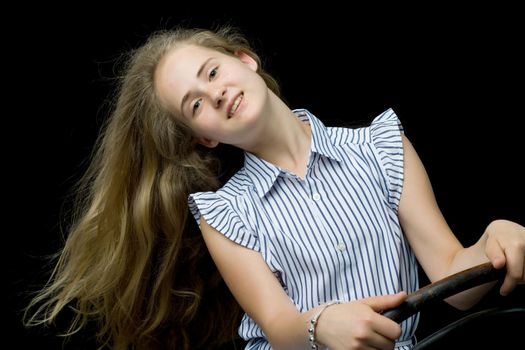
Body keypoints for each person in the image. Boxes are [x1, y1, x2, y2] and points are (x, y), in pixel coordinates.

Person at [24, 25, 525, 350]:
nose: (214, 93)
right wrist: (318, 326)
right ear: (204, 136)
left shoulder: (381, 146)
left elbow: (454, 283)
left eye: (212, 72)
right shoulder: (226, 213)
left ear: (245, 61)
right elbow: (278, 324)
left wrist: (492, 242)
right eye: (195, 104)